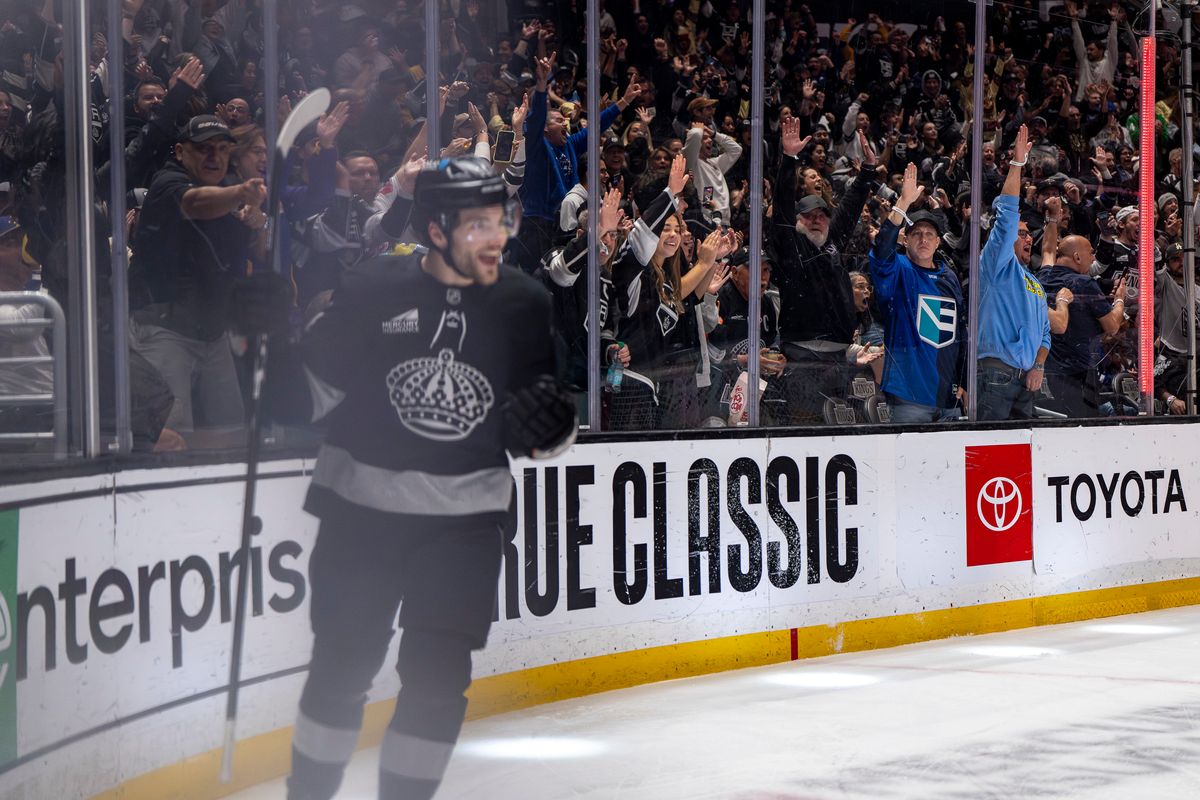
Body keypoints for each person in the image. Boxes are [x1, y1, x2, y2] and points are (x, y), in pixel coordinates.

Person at [239, 156, 578, 800]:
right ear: (432, 228)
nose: (494, 237)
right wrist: (262, 341)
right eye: (474, 223)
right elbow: (299, 402)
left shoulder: (523, 302)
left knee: (437, 678)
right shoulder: (372, 288)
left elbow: (539, 429)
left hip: (465, 528)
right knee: (342, 669)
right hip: (361, 516)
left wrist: (556, 426)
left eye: (497, 220)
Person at [128, 114, 267, 447]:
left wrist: (258, 224)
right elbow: (195, 204)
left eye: (221, 149)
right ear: (180, 151)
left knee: (234, 433)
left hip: (213, 333)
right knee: (172, 437)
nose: (213, 156)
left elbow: (258, 254)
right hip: (165, 330)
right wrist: (240, 194)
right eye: (203, 149)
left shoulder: (227, 190)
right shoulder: (168, 182)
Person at [770, 115, 877, 424]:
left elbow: (851, 206)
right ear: (797, 220)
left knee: (840, 424)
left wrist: (868, 171)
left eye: (821, 215)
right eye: (808, 215)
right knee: (805, 424)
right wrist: (789, 159)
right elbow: (781, 205)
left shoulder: (832, 241)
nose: (816, 219)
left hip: (839, 354)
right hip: (802, 354)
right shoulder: (791, 243)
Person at [868, 163, 966, 423]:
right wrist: (902, 203)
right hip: (908, 395)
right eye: (917, 234)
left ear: (938, 241)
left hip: (948, 396)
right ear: (905, 239)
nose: (923, 239)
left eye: (929, 234)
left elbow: (961, 331)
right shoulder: (898, 268)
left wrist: (964, 380)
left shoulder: (949, 277)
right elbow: (881, 251)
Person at [975, 124, 1059, 421]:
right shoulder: (997, 262)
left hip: (1026, 378)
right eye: (1021, 234)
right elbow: (1008, 212)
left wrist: (1038, 366)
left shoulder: (1033, 281)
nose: (1027, 239)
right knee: (988, 457)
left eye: (1028, 235)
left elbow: (1046, 333)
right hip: (996, 372)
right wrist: (1017, 164)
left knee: (1020, 461)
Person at [1037, 235, 1129, 418]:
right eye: (1091, 254)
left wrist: (1053, 217)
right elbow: (1112, 326)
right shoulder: (1084, 282)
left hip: (1051, 371)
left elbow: (1047, 250)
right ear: (1077, 257)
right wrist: (1119, 299)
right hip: (1079, 374)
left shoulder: (1042, 277)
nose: (1094, 258)